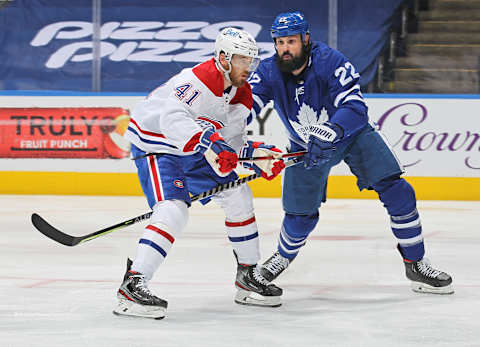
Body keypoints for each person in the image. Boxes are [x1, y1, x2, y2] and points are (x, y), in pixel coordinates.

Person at [248, 11, 453, 295]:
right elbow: (247, 106)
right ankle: (282, 257)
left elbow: (355, 106)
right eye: (280, 42)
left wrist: (332, 130)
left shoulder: (329, 61)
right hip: (304, 147)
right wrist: (224, 135)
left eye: (291, 41)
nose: (285, 48)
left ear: (306, 39)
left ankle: (415, 263)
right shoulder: (269, 70)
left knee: (398, 191)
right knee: (299, 215)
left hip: (352, 136)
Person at [113, 27, 287, 320]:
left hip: (193, 149)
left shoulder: (242, 93)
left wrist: (258, 156)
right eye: (244, 60)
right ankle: (132, 285)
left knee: (237, 193)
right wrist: (211, 143)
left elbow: (230, 145)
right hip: (157, 144)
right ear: (223, 58)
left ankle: (247, 276)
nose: (249, 68)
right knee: (173, 210)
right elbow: (172, 119)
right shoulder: (198, 79)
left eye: (252, 61)